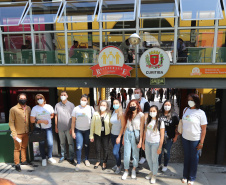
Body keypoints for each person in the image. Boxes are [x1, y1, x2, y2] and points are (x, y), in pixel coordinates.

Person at [180, 94, 207, 185]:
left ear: (196, 101)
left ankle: (191, 177)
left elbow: (203, 129)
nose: (189, 101)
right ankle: (185, 176)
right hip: (185, 138)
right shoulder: (185, 110)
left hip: (195, 139)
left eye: (191, 100)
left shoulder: (201, 113)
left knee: (194, 158)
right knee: (187, 157)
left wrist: (201, 142)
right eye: (188, 100)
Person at [30, 94, 56, 166]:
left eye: (40, 98)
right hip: (40, 129)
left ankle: (50, 157)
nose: (39, 100)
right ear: (36, 101)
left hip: (48, 128)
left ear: (44, 99)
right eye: (37, 99)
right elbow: (32, 120)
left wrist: (48, 119)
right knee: (41, 144)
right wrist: (42, 121)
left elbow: (52, 115)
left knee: (50, 143)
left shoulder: (49, 107)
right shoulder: (35, 108)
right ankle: (43, 158)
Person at [121, 100, 144, 180]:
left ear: (137, 105)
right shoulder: (127, 114)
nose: (132, 106)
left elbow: (142, 129)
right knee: (126, 153)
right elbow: (125, 126)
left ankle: (134, 169)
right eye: (131, 105)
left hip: (136, 134)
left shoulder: (141, 115)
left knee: (135, 153)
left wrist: (141, 141)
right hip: (127, 133)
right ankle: (126, 170)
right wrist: (123, 137)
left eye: (134, 104)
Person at [71, 94, 95, 171]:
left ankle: (86, 159)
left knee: (86, 145)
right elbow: (73, 121)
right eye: (82, 100)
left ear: (87, 101)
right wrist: (73, 132)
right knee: (78, 146)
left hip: (88, 130)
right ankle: (78, 162)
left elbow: (94, 121)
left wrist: (92, 133)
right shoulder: (76, 109)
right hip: (78, 130)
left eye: (85, 100)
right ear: (80, 100)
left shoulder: (90, 108)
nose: (83, 101)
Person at [9, 93, 31, 172]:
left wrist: (30, 130)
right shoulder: (13, 109)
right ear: (18, 99)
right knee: (17, 149)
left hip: (26, 132)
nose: (23, 99)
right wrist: (14, 134)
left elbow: (29, 120)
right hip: (18, 133)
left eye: (24, 98)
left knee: (24, 147)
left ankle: (24, 160)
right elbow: (11, 122)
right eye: (21, 98)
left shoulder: (28, 108)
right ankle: (17, 164)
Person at [142, 105, 165, 184]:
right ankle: (152, 172)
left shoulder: (160, 122)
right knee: (148, 158)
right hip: (147, 142)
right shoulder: (147, 120)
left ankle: (154, 175)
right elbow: (145, 132)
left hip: (155, 143)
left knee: (154, 160)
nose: (152, 112)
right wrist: (143, 143)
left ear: (157, 112)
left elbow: (162, 136)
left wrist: (160, 147)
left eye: (154, 111)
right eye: (150, 111)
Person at [158, 100, 179, 172]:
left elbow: (177, 127)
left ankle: (165, 165)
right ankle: (158, 164)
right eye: (165, 104)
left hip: (169, 137)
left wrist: (176, 136)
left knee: (166, 152)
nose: (167, 106)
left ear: (171, 106)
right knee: (159, 151)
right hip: (159, 137)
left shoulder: (174, 115)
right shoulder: (160, 113)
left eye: (168, 105)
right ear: (163, 105)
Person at [90, 100, 111, 170]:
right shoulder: (95, 114)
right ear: (99, 106)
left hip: (106, 134)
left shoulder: (109, 114)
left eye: (104, 105)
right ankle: (98, 160)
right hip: (97, 133)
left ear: (107, 107)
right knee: (97, 148)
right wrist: (91, 135)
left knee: (105, 148)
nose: (102, 107)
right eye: (101, 105)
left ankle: (104, 162)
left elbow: (110, 125)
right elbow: (92, 125)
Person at [55, 91, 75, 164]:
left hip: (69, 128)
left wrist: (72, 128)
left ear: (67, 96)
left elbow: (74, 117)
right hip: (60, 128)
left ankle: (71, 157)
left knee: (70, 143)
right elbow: (56, 116)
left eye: (64, 95)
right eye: (62, 95)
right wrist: (56, 126)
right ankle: (63, 156)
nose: (63, 96)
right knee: (62, 143)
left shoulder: (71, 105)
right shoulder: (57, 105)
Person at [134, 88, 150, 164]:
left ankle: (143, 156)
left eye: (137, 92)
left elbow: (146, 115)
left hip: (142, 125)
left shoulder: (145, 103)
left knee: (142, 140)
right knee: (136, 141)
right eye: (135, 92)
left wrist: (142, 124)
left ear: (141, 94)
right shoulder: (133, 102)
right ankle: (136, 156)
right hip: (134, 125)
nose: (136, 94)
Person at [110, 99, 126, 174]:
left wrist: (119, 137)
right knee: (117, 151)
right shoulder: (113, 112)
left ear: (120, 104)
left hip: (118, 135)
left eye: (116, 103)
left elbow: (123, 126)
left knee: (115, 152)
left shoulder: (121, 114)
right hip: (112, 134)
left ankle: (119, 167)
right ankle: (118, 164)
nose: (115, 104)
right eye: (114, 103)